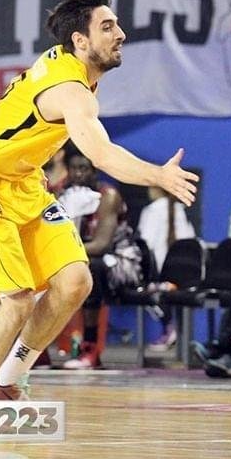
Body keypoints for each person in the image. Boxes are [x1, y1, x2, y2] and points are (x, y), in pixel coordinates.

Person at [0, 0, 198, 438]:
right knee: (17, 301)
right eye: (107, 27)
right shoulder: (70, 89)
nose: (121, 34)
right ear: (80, 41)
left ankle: (8, 382)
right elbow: (101, 155)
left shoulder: (72, 67)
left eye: (117, 24)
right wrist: (157, 174)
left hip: (25, 181)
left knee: (76, 281)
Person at [59, 147, 144, 369]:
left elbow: (101, 245)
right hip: (80, 255)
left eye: (84, 168)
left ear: (94, 171)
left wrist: (61, 253)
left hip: (121, 261)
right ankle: (37, 352)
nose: (78, 174)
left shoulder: (108, 196)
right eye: (74, 169)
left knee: (91, 269)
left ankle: (90, 348)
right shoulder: (61, 194)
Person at [137, 185, 196, 350]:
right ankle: (172, 331)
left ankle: (169, 328)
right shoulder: (180, 209)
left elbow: (145, 243)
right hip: (182, 272)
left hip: (160, 274)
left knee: (143, 291)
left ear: (157, 189)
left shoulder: (152, 211)